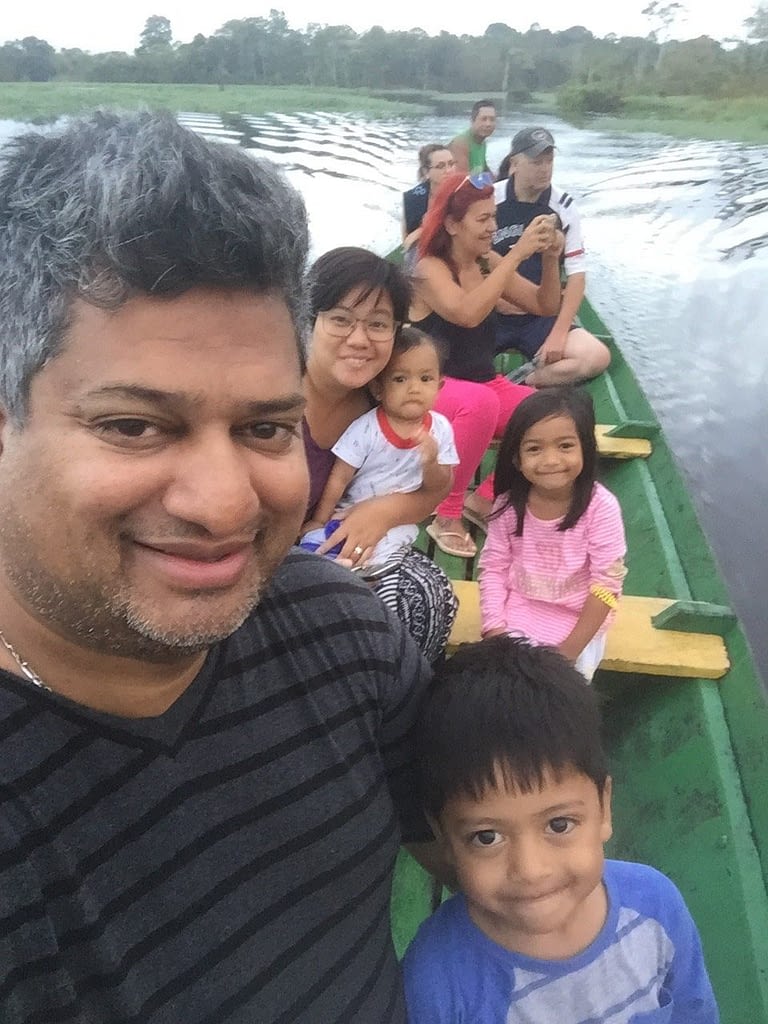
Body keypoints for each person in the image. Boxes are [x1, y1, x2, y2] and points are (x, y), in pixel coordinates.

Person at [0, 111, 440, 1023]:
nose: (227, 505)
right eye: (134, 425)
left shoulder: (342, 629)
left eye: (265, 428)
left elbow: (484, 852)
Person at [403, 636, 720, 1023]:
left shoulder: (656, 906)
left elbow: (693, 1011)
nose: (530, 870)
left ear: (603, 807)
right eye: (487, 837)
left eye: (559, 824)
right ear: (443, 837)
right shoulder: (436, 981)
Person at [303, 246, 458, 661]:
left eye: (377, 324)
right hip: (276, 555)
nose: (359, 339)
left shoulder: (384, 403)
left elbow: (434, 491)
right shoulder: (274, 398)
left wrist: (383, 512)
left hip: (357, 544)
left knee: (427, 596)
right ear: (310, 319)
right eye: (340, 319)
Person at [410, 170, 563, 558]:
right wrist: (516, 254)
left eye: (493, 216)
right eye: (483, 219)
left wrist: (550, 257)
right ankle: (446, 514)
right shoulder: (429, 268)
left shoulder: (485, 262)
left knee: (552, 413)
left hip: (482, 383)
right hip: (429, 388)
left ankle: (484, 499)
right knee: (482, 403)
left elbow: (545, 305)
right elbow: (466, 314)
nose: (493, 227)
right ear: (452, 224)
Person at [479, 387, 627, 680]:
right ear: (517, 459)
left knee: (557, 693)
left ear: (585, 448)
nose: (550, 460)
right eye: (534, 449)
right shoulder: (507, 506)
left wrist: (568, 652)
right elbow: (494, 569)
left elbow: (606, 586)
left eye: (565, 446)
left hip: (579, 624)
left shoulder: (601, 507)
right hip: (517, 614)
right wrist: (495, 631)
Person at [304, 326, 458, 565]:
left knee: (381, 556)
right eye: (400, 379)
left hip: (396, 523)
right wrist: (320, 520)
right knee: (316, 541)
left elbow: (438, 487)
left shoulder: (441, 429)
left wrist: (431, 462)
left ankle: (364, 573)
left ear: (439, 387)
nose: (414, 388)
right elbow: (340, 478)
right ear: (378, 389)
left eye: (425, 379)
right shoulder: (367, 428)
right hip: (349, 510)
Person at [493, 126, 611, 386]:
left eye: (549, 161)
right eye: (536, 162)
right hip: (490, 315)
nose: (545, 169)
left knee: (596, 357)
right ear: (515, 163)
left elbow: (577, 274)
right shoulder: (490, 199)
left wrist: (558, 333)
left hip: (539, 317)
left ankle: (521, 382)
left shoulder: (563, 207)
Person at [402, 143, 456, 263]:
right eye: (441, 166)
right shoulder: (413, 198)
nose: (449, 170)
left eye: (451, 164)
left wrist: (424, 229)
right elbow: (407, 241)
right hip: (424, 255)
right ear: (426, 172)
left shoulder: (464, 192)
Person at [449, 99, 497, 175]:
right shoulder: (461, 144)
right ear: (472, 121)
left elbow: (484, 169)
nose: (488, 124)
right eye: (484, 119)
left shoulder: (482, 142)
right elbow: (462, 178)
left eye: (492, 119)